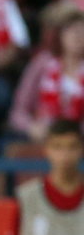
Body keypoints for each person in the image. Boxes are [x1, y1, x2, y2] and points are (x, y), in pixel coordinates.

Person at [10, 10, 84, 142]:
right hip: (44, 140)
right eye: (71, 30)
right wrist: (32, 127)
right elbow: (18, 112)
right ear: (59, 35)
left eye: (82, 30)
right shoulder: (42, 63)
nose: (77, 36)